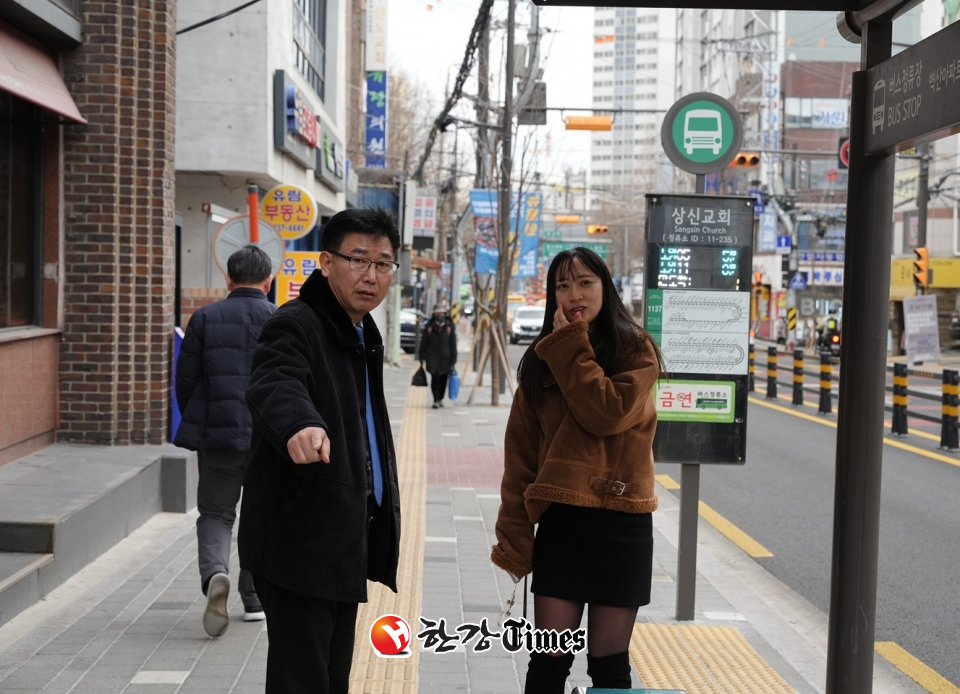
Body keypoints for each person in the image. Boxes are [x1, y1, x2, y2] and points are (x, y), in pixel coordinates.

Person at [240, 207, 402, 694]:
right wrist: (301, 424)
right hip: (299, 540)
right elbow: (276, 380)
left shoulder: (358, 330)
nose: (371, 275)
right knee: (302, 681)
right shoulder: (297, 323)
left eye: (383, 264)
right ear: (325, 263)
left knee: (331, 680)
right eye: (358, 260)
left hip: (340, 539)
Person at [491, 247, 666, 693]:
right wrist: (514, 537)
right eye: (562, 285)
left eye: (585, 282)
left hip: (623, 524)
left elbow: (607, 412)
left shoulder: (635, 349)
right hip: (563, 524)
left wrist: (569, 347)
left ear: (605, 287)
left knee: (609, 666)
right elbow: (521, 456)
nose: (574, 294)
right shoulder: (540, 358)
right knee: (548, 663)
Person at [174, 245, 276, 637]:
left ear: (228, 280)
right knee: (260, 514)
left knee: (216, 513)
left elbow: (186, 381)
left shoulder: (204, 318)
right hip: (268, 439)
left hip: (217, 436)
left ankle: (216, 573)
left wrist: (204, 422)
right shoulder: (281, 318)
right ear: (268, 283)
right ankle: (254, 600)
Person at [421, 300, 457, 408]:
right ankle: (435, 399)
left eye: (442, 314)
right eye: (437, 314)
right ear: (434, 315)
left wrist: (453, 360)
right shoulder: (429, 327)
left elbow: (453, 344)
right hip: (431, 357)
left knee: (443, 380)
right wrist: (420, 356)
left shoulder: (450, 327)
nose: (440, 316)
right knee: (434, 378)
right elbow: (424, 342)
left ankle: (440, 398)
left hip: (446, 358)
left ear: (445, 315)